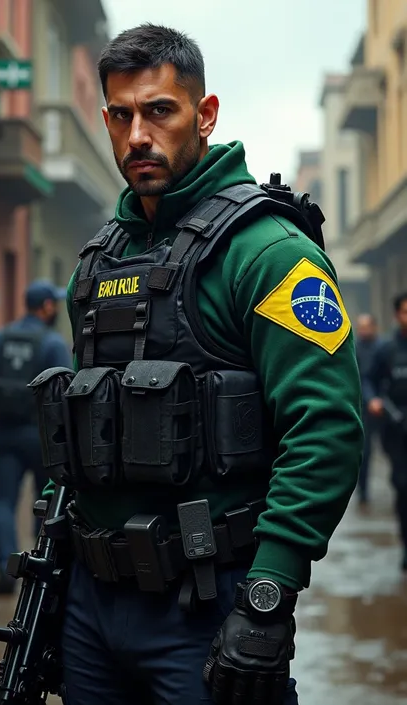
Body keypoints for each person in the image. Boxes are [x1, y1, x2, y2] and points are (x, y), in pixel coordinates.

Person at [38, 25, 363, 705]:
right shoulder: (98, 263)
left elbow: (326, 428)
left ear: (205, 114)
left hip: (208, 606)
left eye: (160, 110)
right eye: (121, 115)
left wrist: (269, 596)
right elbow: (80, 435)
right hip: (92, 611)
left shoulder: (269, 252)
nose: (137, 136)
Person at [0, 280, 72, 595]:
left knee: (2, 502)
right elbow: (65, 389)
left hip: (4, 434)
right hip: (42, 436)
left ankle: (5, 570)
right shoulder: (52, 344)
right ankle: (42, 567)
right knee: (47, 501)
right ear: (47, 307)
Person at [366, 293, 407, 571]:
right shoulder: (387, 349)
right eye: (405, 312)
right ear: (397, 315)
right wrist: (374, 400)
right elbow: (369, 378)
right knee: (404, 487)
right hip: (397, 430)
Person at [355, 313, 381, 506]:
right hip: (364, 406)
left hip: (385, 405)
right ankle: (362, 491)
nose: (363, 330)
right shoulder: (354, 348)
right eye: (360, 327)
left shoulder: (383, 348)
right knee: (365, 452)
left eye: (366, 326)